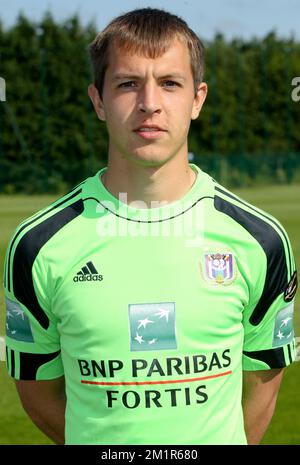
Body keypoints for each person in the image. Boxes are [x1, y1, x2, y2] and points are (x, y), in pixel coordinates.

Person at [3, 7, 298, 445]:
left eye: (170, 83)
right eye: (127, 84)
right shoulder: (37, 245)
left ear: (197, 100)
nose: (149, 103)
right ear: (98, 101)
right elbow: (36, 389)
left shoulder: (261, 240)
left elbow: (262, 386)